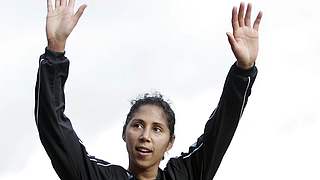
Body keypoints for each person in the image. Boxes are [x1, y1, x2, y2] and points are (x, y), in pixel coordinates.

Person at [34, 0, 262, 179]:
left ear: (170, 142)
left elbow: (221, 128)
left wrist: (244, 71)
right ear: (124, 133)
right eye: (138, 125)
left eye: (157, 129)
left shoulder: (187, 174)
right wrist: (55, 50)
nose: (145, 137)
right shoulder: (98, 176)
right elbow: (52, 125)